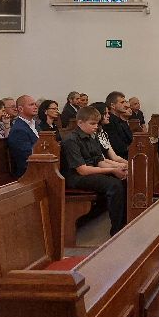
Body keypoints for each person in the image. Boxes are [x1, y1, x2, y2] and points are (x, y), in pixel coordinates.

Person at [61, 106, 127, 236]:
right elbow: (82, 170)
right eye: (92, 123)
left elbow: (99, 160)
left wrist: (119, 168)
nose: (96, 126)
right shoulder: (71, 140)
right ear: (80, 122)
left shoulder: (92, 136)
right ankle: (116, 230)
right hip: (76, 177)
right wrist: (113, 170)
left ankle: (125, 222)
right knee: (114, 185)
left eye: (97, 123)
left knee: (124, 179)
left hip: (90, 171)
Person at [7, 95, 39, 177]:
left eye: (35, 104)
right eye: (31, 105)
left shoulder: (36, 125)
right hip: (29, 173)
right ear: (20, 109)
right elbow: (26, 158)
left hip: (42, 166)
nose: (35, 107)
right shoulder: (18, 130)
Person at [103, 91, 133, 160]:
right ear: (113, 105)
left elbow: (131, 139)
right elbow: (119, 148)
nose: (126, 105)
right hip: (119, 158)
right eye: (122, 102)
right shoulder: (109, 122)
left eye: (125, 102)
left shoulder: (121, 120)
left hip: (128, 155)